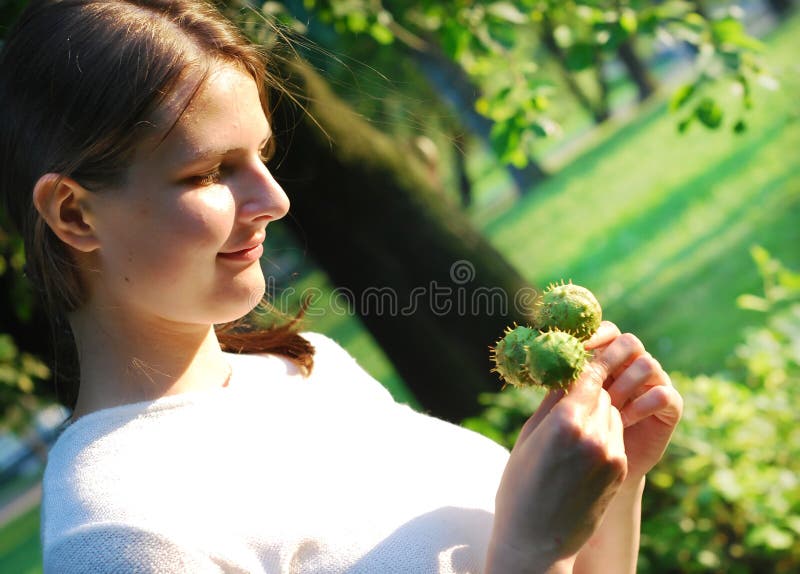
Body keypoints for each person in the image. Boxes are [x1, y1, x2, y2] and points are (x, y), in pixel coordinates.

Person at [0, 1, 683, 572]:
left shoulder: (312, 370)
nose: (273, 198)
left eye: (261, 157)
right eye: (209, 172)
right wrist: (530, 547)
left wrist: (608, 488)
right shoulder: (120, 536)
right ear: (75, 213)